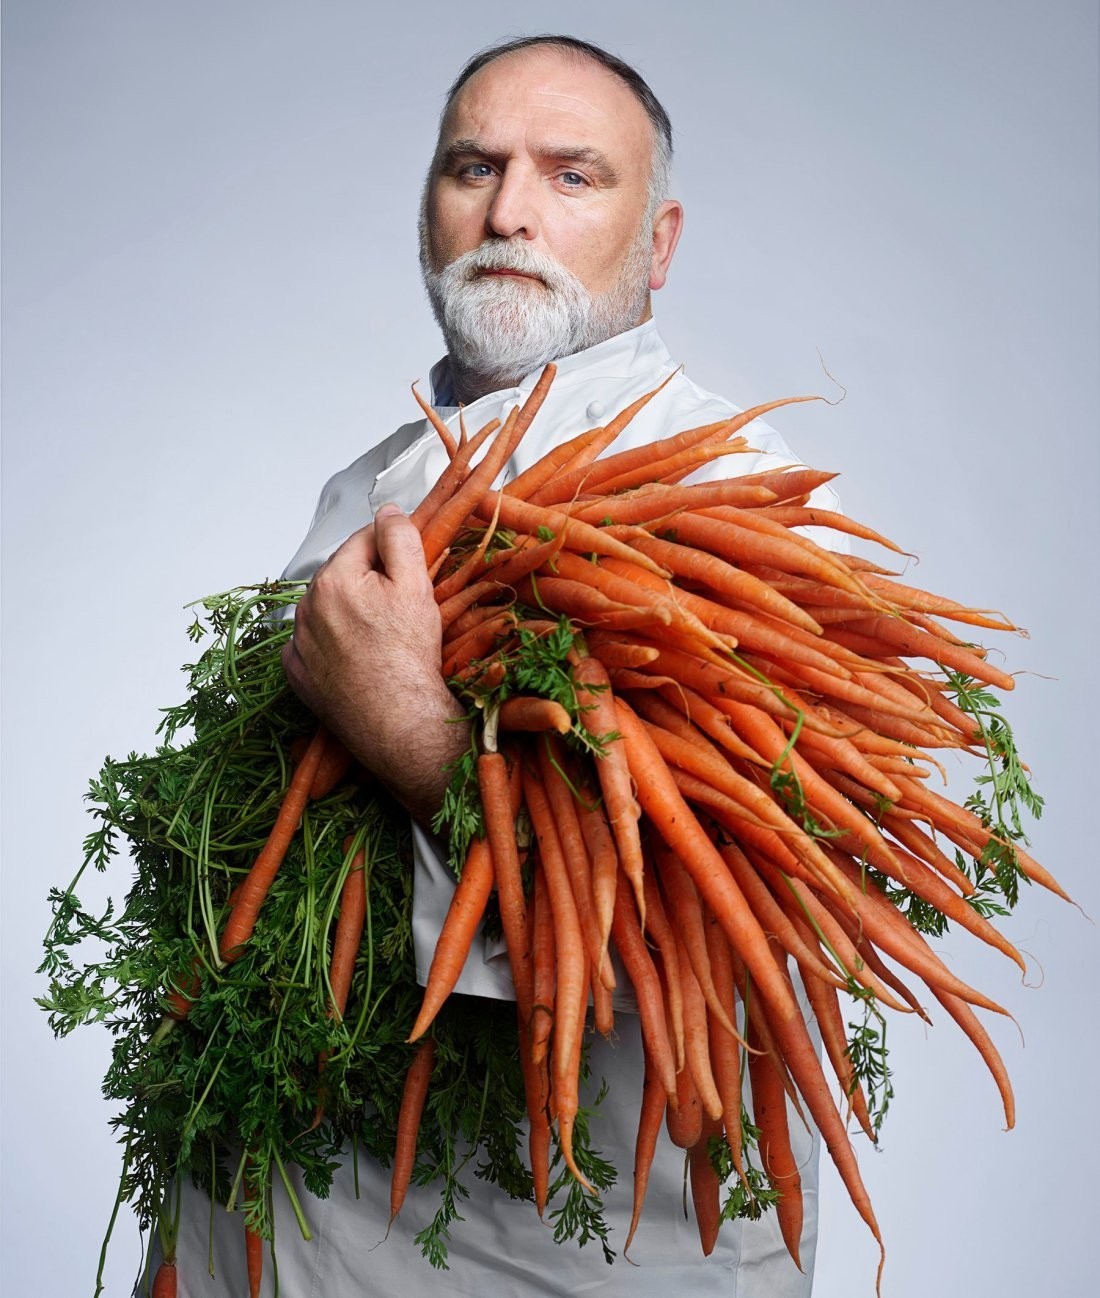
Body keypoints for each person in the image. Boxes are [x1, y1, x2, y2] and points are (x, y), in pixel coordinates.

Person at [171, 34, 835, 1296]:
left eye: (571, 175)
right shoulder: (378, 469)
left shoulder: (728, 494)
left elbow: (682, 925)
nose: (509, 211)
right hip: (302, 1208)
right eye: (471, 167)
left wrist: (416, 730)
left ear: (661, 239)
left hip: (553, 1243)